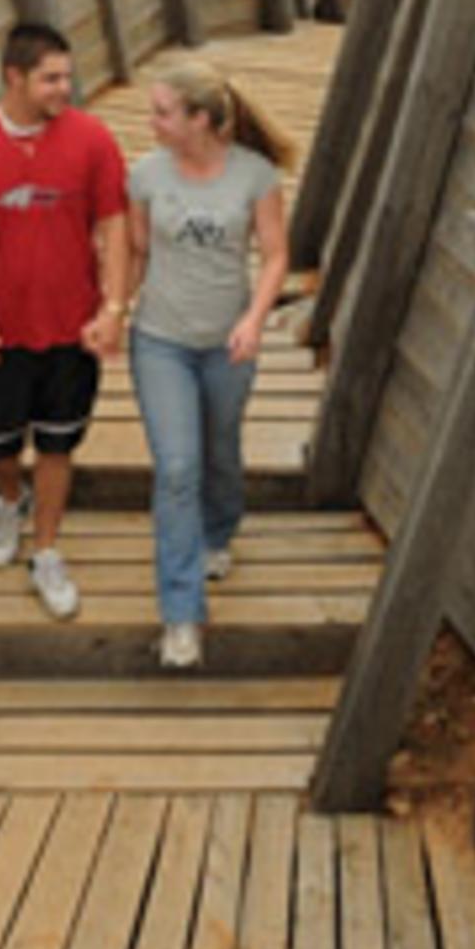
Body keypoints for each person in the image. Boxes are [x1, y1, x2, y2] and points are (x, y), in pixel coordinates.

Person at [0, 23, 128, 619]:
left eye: (67, 75)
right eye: (51, 78)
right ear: (14, 77)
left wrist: (113, 307)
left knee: (60, 441)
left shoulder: (92, 141)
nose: (66, 87)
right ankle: (10, 498)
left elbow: (114, 224)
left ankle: (46, 550)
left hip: (74, 329)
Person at [126, 58, 292, 669]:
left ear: (200, 119)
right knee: (175, 467)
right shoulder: (144, 174)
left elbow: (275, 256)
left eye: (163, 112)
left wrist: (253, 319)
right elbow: (137, 250)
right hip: (160, 341)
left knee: (220, 449)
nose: (153, 122)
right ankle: (182, 615)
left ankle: (220, 530)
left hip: (227, 344)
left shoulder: (255, 176)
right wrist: (112, 308)